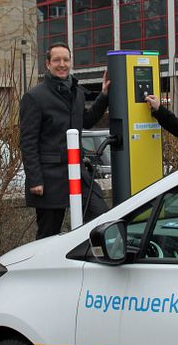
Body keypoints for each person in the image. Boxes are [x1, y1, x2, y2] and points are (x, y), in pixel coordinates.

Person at [19, 42, 111, 240]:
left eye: (66, 60)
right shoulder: (34, 97)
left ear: (71, 62)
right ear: (48, 64)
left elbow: (86, 120)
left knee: (103, 218)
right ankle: (43, 270)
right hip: (49, 179)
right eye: (57, 60)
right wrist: (35, 179)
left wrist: (103, 95)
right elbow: (28, 142)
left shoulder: (76, 92)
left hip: (78, 173)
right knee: (48, 235)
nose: (62, 64)